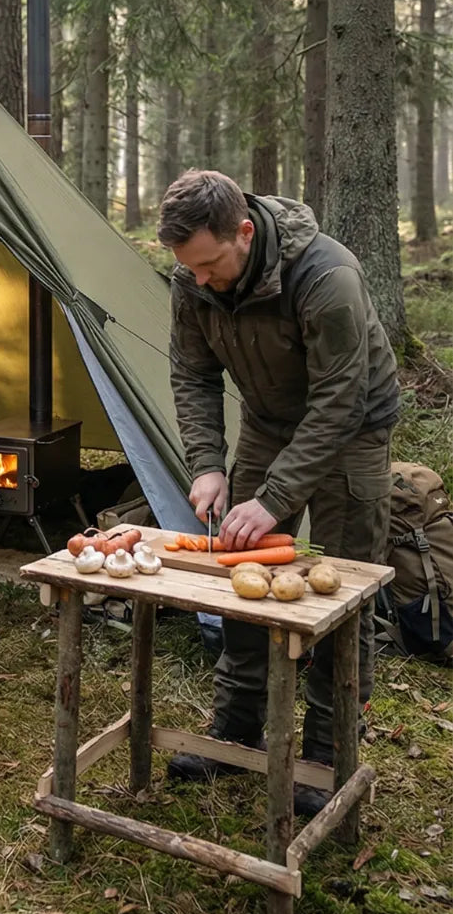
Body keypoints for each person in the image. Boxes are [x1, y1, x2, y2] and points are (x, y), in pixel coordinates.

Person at [157, 170, 399, 815]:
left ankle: (326, 749)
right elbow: (193, 373)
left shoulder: (326, 276)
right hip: (267, 422)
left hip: (352, 430)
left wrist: (274, 496)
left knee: (345, 589)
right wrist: (208, 463)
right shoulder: (194, 275)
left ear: (244, 231)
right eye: (190, 269)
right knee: (239, 566)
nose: (199, 280)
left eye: (209, 265)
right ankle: (235, 727)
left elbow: (339, 402)